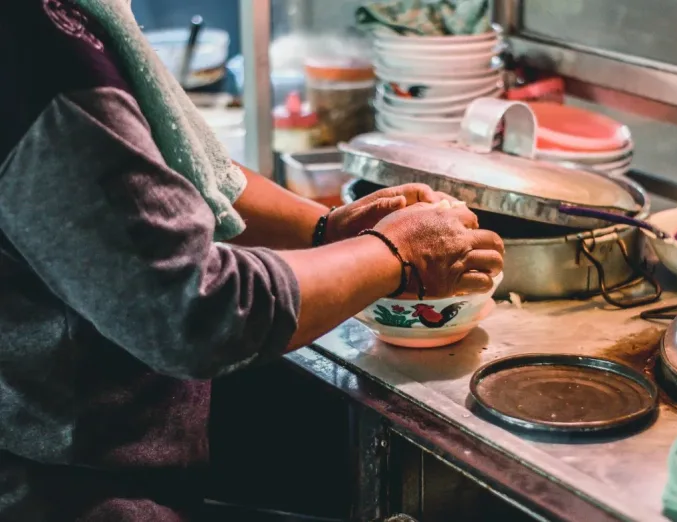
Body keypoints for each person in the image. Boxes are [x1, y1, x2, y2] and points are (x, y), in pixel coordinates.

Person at [0, 1, 504, 521]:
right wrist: (394, 253)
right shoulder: (32, 49)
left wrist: (326, 228)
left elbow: (170, 166)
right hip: (62, 492)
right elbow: (192, 309)